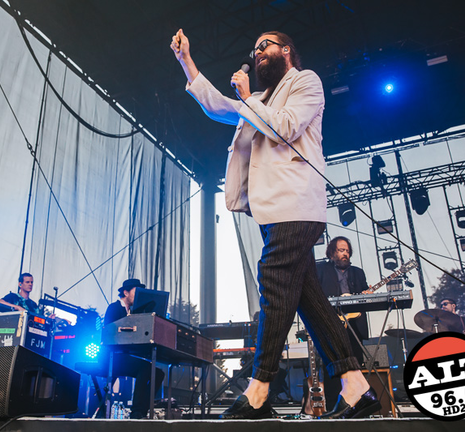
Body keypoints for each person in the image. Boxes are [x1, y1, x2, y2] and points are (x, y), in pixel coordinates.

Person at [170, 29, 379, 419]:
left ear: (286, 51)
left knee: (273, 283)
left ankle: (259, 390)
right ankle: (356, 386)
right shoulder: (259, 99)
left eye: (265, 45)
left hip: (296, 205)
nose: (258, 51)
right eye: (255, 48)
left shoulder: (305, 81)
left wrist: (248, 97)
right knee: (309, 301)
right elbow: (218, 106)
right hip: (273, 211)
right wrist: (187, 61)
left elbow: (284, 127)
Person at [316, 236, 373, 410]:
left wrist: (366, 295)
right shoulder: (321, 269)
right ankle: (334, 408)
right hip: (332, 323)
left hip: (354, 325)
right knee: (332, 365)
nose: (345, 254)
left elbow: (363, 297)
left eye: (347, 251)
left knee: (356, 364)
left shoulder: (358, 272)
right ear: (332, 252)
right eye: (341, 250)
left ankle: (358, 405)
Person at [100, 278, 166, 419]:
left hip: (123, 356)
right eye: (136, 292)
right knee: (144, 369)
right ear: (126, 292)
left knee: (158, 374)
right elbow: (110, 332)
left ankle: (141, 411)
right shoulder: (115, 308)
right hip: (111, 356)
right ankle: (137, 412)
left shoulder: (134, 313)